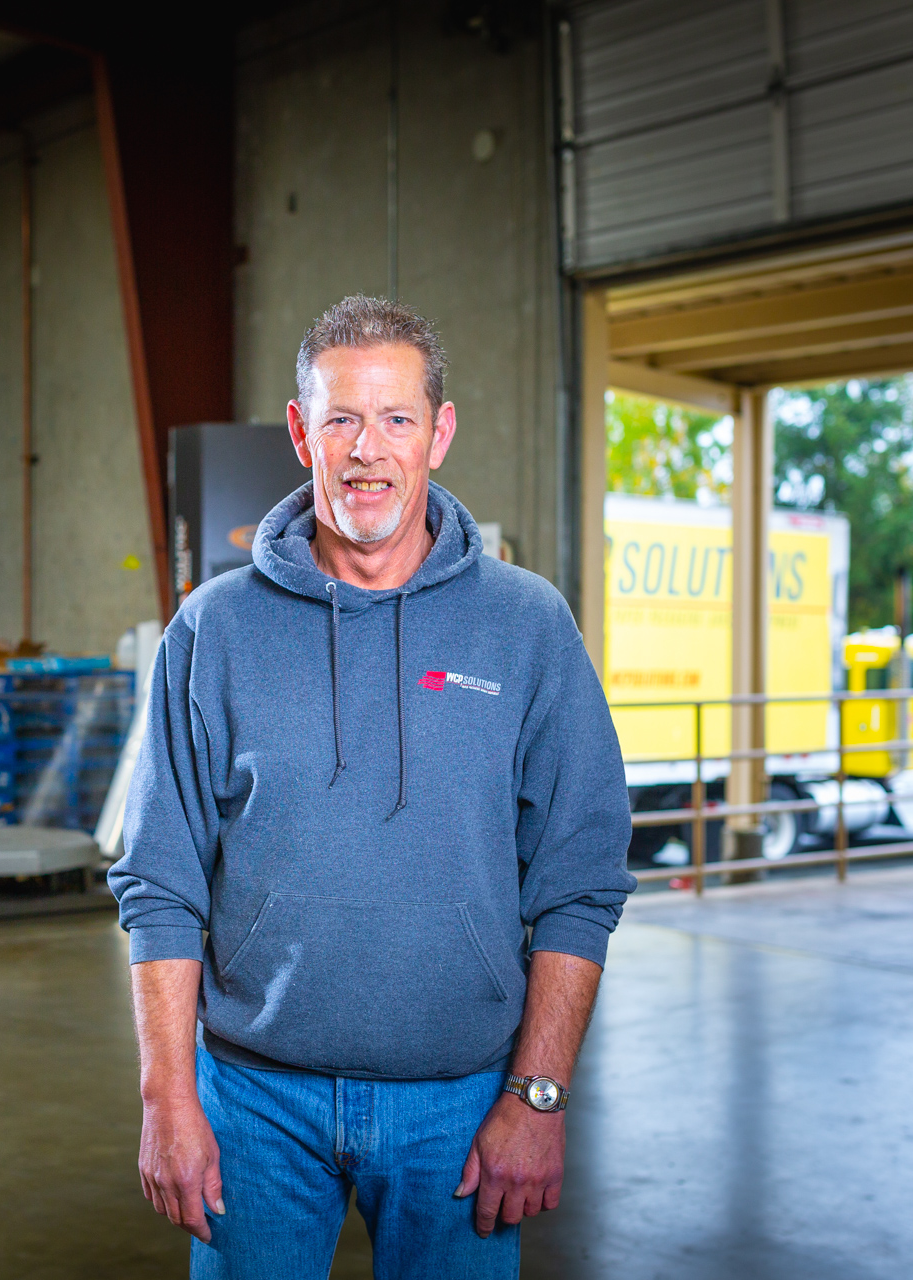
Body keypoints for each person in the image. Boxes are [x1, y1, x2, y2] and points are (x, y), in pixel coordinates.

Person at [108, 295, 634, 1279]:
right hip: (253, 1101)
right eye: (341, 418)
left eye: (396, 418)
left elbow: (581, 879)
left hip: (464, 1099)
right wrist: (168, 1097)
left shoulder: (526, 627)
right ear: (302, 431)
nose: (367, 450)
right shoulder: (212, 630)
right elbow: (161, 882)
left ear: (439, 433)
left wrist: (539, 1094)